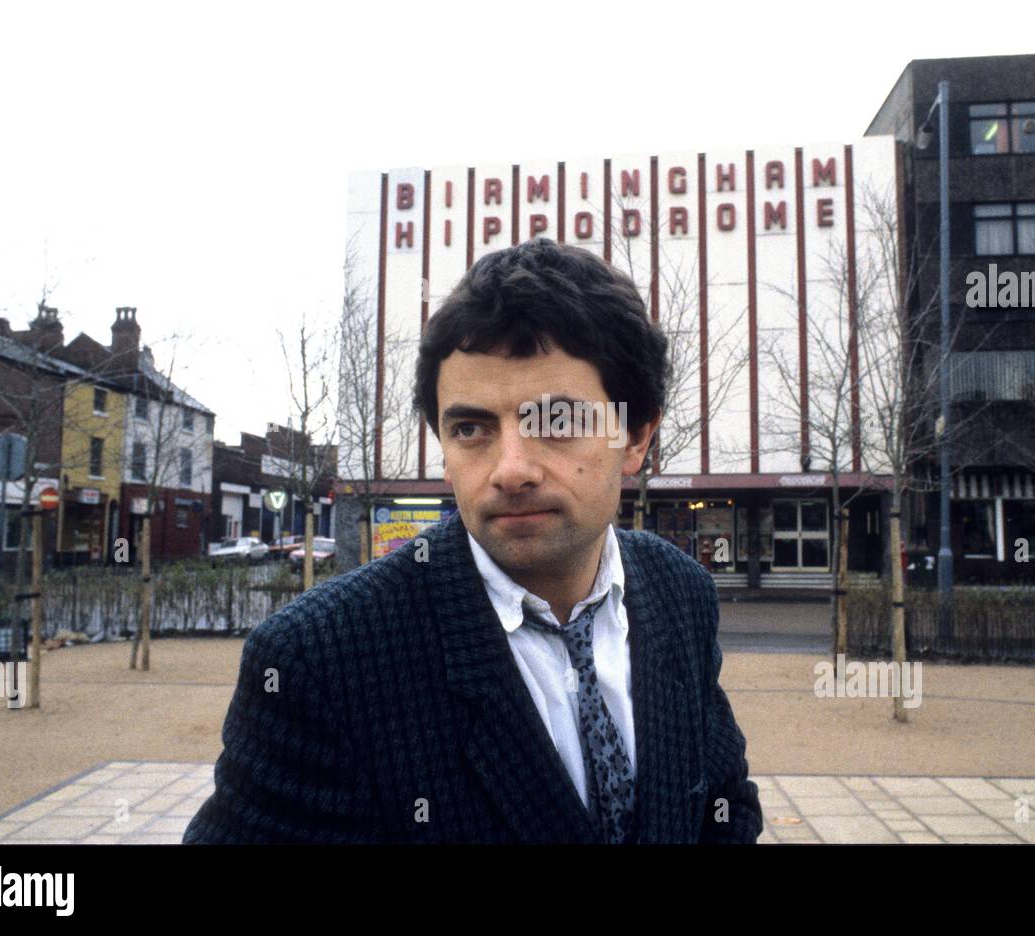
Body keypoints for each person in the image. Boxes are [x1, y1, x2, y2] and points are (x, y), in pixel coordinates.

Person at [184, 238, 762, 844]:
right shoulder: (319, 659)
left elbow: (723, 807)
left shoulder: (679, 593)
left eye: (555, 422)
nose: (511, 469)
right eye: (471, 428)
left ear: (637, 436)